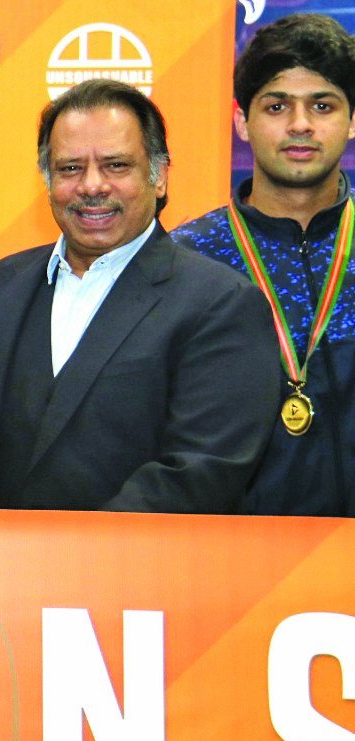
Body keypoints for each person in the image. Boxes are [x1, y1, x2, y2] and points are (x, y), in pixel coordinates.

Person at [0, 79, 278, 513]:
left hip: (136, 574)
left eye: (116, 166)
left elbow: (200, 473)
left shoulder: (222, 303)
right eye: (70, 168)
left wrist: (73, 562)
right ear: (47, 182)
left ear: (159, 176)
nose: (91, 186)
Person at [173, 13, 355, 516]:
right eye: (277, 106)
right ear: (241, 121)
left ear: (352, 119)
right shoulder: (184, 258)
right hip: (236, 568)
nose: (300, 124)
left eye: (322, 105)